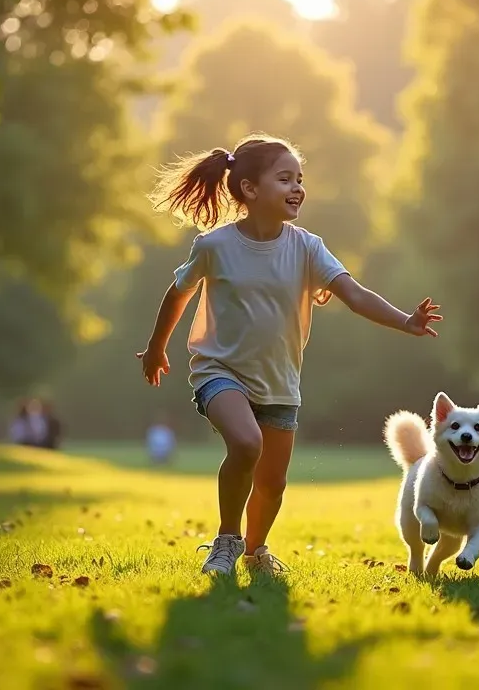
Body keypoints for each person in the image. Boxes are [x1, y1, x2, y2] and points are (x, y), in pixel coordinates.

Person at [136, 133, 442, 577]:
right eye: (285, 179)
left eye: (300, 179)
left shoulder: (307, 247)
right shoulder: (214, 246)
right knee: (246, 443)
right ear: (250, 189)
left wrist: (405, 321)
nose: (298, 187)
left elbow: (354, 295)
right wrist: (156, 348)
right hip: (219, 371)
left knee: (273, 483)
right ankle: (225, 541)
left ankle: (255, 551)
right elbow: (178, 294)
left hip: (280, 380)